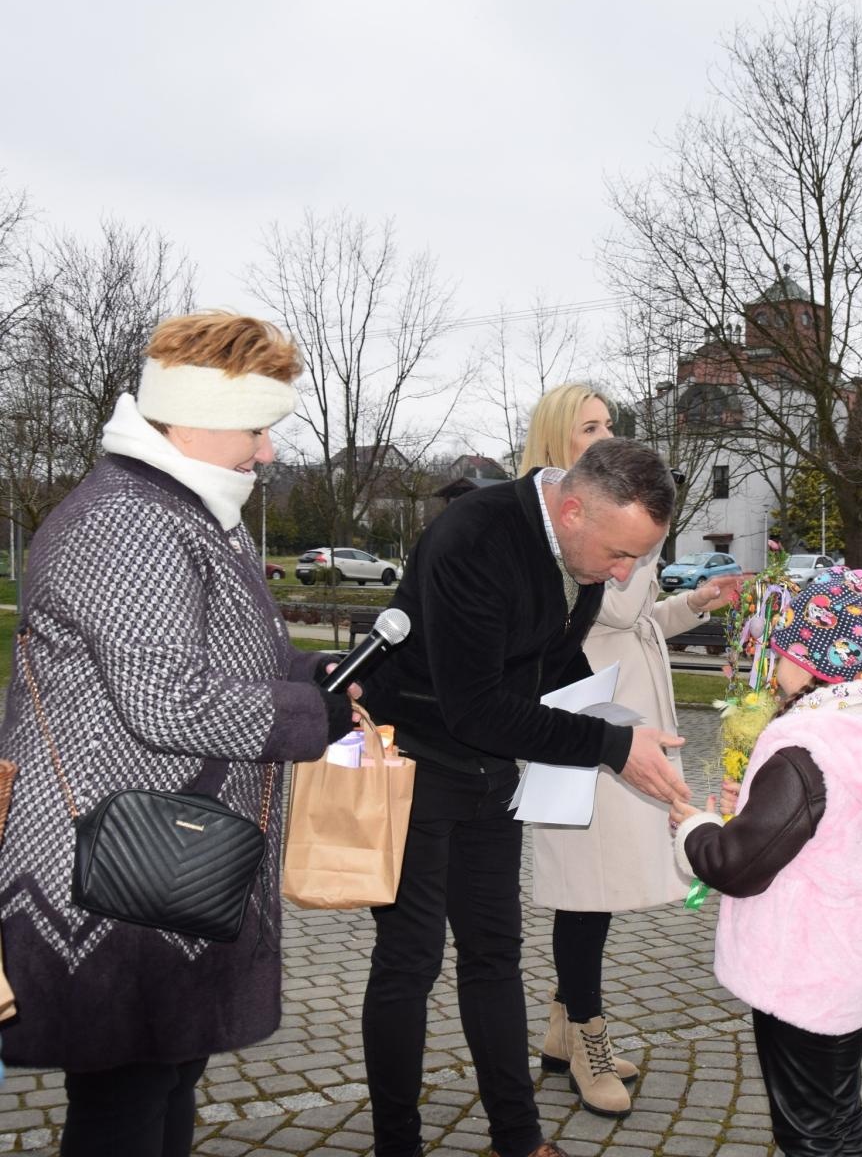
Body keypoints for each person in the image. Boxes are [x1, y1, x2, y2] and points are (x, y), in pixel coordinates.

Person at [0, 311, 356, 1157]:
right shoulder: (129, 521)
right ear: (197, 416)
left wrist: (320, 681)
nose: (267, 453)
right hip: (115, 875)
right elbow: (167, 701)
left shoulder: (181, 508)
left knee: (162, 1079)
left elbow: (220, 660)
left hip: (165, 862)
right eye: (257, 429)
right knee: (127, 1098)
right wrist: (317, 716)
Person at [358, 436, 690, 1157]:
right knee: (409, 962)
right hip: (412, 760)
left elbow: (556, 662)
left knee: (494, 956)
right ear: (571, 510)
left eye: (638, 556)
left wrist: (624, 733)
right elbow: (475, 705)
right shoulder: (473, 539)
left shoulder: (585, 552)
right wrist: (609, 749)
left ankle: (518, 1138)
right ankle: (396, 1144)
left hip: (487, 772)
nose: (625, 571)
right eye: (619, 554)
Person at [669, 567, 862, 1157]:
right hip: (848, 960)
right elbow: (819, 828)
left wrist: (693, 826)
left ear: (811, 663)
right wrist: (759, 809)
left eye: (779, 651)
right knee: (831, 1114)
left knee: (818, 1132)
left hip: (803, 968)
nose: (771, 666)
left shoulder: (805, 748)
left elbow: (736, 865)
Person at [521, 383, 733, 1118]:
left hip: (622, 722)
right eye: (588, 427)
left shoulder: (604, 536)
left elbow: (635, 621)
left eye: (609, 424)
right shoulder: (557, 533)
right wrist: (643, 545)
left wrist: (696, 603)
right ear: (557, 445)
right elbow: (611, 604)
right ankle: (587, 1037)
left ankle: (561, 1023)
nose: (604, 435)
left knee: (599, 892)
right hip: (587, 724)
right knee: (586, 889)